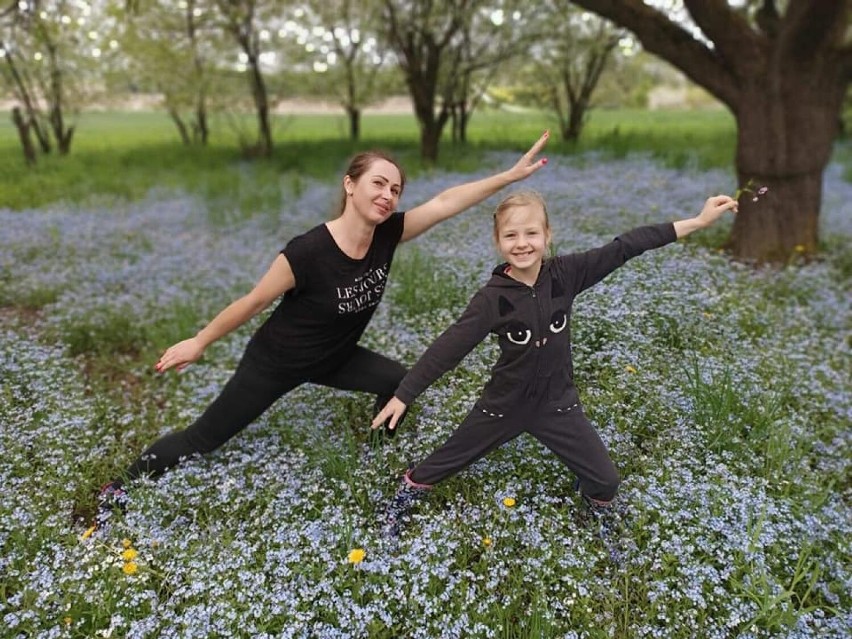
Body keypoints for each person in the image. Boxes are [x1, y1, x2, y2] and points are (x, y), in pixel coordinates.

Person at [91, 133, 551, 530]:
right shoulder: (307, 252)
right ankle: (119, 487)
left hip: (335, 356)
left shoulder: (388, 234)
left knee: (396, 381)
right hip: (275, 362)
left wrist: (507, 178)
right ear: (349, 185)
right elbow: (253, 302)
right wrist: (200, 341)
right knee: (203, 439)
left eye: (395, 188)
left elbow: (446, 202)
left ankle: (373, 456)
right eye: (378, 183)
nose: (388, 194)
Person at [371, 190, 739, 547]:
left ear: (547, 235)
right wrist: (405, 394)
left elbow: (626, 245)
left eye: (531, 232)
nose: (522, 243)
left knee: (606, 481)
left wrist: (698, 221)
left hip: (558, 406)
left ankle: (592, 504)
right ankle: (405, 494)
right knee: (442, 462)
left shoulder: (566, 274)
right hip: (503, 406)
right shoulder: (492, 299)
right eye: (510, 235)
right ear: (498, 241)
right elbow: (449, 347)